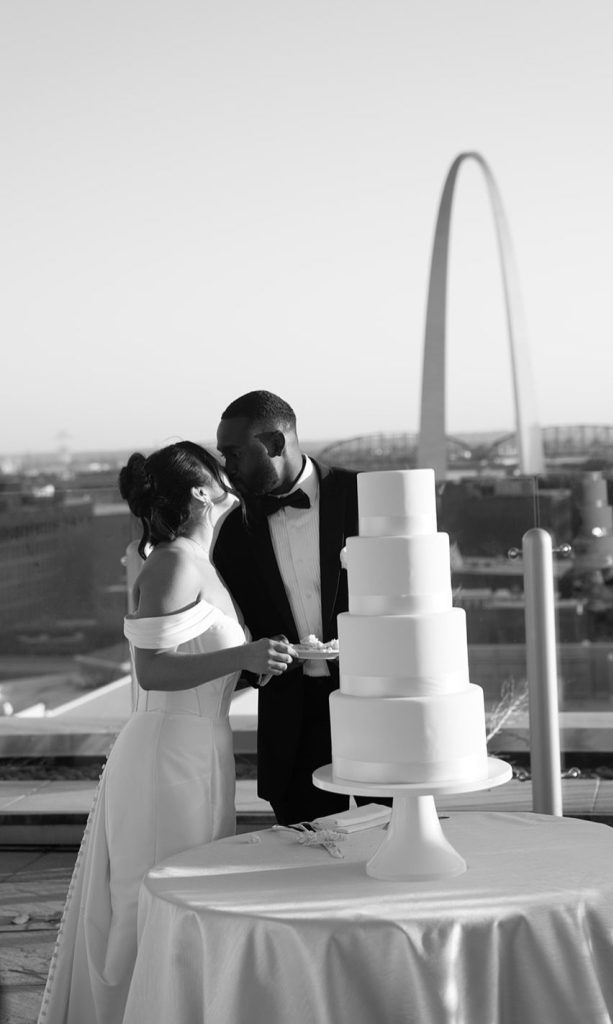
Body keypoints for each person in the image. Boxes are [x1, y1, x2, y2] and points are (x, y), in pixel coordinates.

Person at [38, 441, 293, 1024]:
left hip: (202, 751)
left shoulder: (198, 563)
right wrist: (242, 655)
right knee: (147, 904)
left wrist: (255, 666)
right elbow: (151, 670)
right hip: (165, 758)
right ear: (202, 491)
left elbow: (198, 663)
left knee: (184, 901)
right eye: (215, 466)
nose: (228, 472)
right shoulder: (173, 563)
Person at [214, 390, 379, 826]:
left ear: (273, 444)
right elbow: (238, 630)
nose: (226, 468)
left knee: (394, 845)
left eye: (233, 454)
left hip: (376, 709)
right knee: (304, 862)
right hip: (291, 725)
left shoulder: (367, 499)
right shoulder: (234, 534)